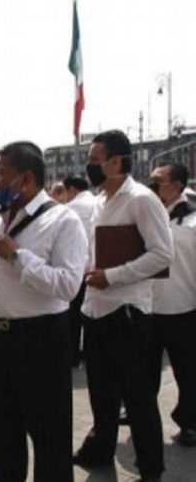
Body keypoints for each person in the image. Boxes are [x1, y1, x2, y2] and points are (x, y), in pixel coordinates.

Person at [0, 141, 87, 482]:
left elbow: (69, 286)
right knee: (2, 433)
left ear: (25, 178)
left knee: (49, 436)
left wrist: (18, 256)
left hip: (39, 341)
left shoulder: (62, 220)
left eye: (1, 173)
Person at [75, 130, 172, 482]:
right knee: (101, 391)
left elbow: (162, 254)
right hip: (95, 309)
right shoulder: (99, 201)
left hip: (126, 312)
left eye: (94, 158)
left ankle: (151, 467)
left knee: (137, 395)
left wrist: (113, 275)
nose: (90, 165)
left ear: (116, 161)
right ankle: (102, 449)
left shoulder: (142, 200)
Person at [148, 163, 196, 447]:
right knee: (144, 371)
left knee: (187, 371)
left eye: (159, 181)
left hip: (183, 307)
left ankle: (190, 422)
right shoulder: (147, 214)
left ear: (177, 185)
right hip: (148, 306)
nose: (153, 186)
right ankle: (142, 416)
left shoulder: (192, 221)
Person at [63, 175, 95, 367]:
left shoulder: (70, 208)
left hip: (77, 268)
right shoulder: (98, 203)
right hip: (96, 268)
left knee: (73, 314)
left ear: (72, 189)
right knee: (90, 313)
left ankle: (72, 354)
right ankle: (88, 352)